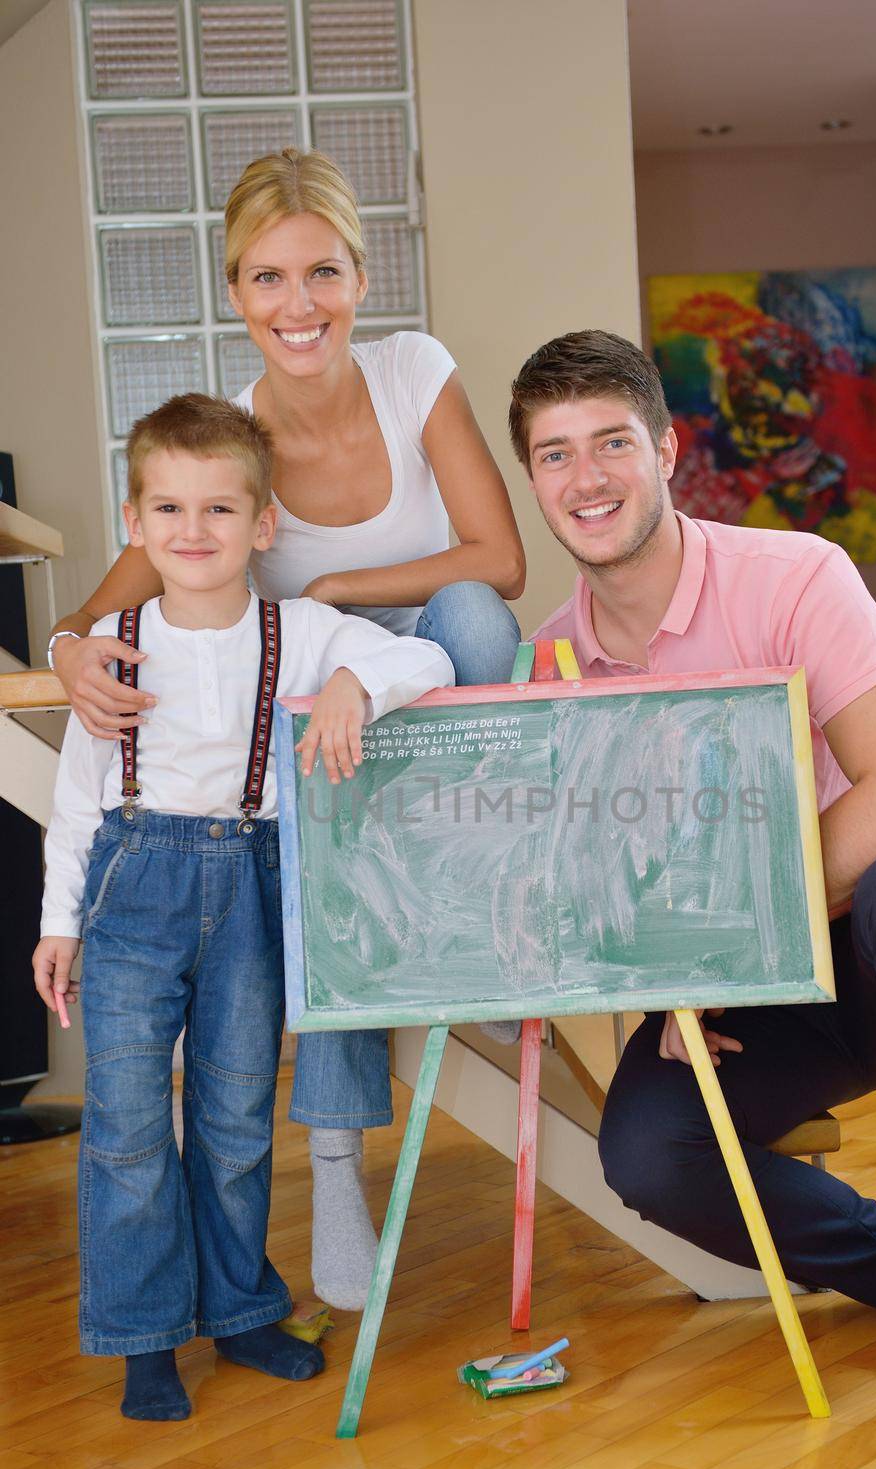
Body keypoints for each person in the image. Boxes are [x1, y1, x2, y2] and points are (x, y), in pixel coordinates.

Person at [509, 328, 876, 1398]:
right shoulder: (549, 661)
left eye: (612, 442)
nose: (588, 477)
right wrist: (664, 975)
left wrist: (716, 936)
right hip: (740, 998)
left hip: (868, 945)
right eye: (555, 452)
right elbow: (598, 883)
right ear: (532, 478)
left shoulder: (798, 573)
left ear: (667, 450)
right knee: (649, 1155)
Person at [45, 148, 524, 1312]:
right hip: (339, 753)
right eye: (266, 279)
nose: (296, 305)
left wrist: (334, 600)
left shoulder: (416, 373)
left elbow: (499, 563)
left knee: (466, 610)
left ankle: (480, 890)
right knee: (330, 855)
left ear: (361, 277)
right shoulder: (234, 442)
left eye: (321, 274)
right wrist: (66, 643)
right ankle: (338, 1165)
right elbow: (123, 586)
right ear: (235, 291)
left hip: (429, 688)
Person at [31, 394, 454, 1421]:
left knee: (234, 1118)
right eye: (169, 508)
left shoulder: (300, 632)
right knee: (128, 1124)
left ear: (262, 524)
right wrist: (58, 921)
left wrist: (354, 680)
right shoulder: (113, 648)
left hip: (253, 896)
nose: (193, 531)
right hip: (133, 896)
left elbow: (431, 657)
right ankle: (144, 1332)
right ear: (134, 522)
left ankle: (238, 1308)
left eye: (220, 510)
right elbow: (79, 802)